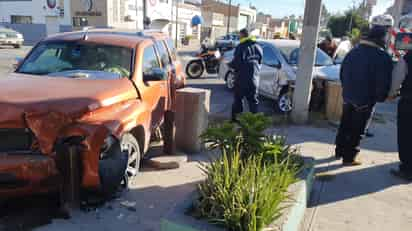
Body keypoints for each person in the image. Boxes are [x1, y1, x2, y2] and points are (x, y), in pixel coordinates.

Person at [335, 14, 394, 166]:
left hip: (348, 97)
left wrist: (347, 90)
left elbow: (342, 73)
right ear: (382, 39)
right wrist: (382, 97)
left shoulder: (353, 52)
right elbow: (383, 82)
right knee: (358, 129)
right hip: (366, 100)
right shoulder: (383, 57)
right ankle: (349, 157)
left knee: (345, 124)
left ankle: (339, 151)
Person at [388, 41, 412, 180]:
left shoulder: (408, 58)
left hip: (409, 104)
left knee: (406, 135)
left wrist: (391, 94)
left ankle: (407, 169)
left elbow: (397, 78)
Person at [228, 28, 263, 121]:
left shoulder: (241, 47)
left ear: (243, 35)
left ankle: (236, 122)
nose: (239, 37)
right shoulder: (258, 46)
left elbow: (236, 64)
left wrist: (229, 64)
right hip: (254, 79)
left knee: (238, 101)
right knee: (253, 102)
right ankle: (254, 124)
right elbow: (260, 62)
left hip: (241, 79)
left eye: (239, 35)